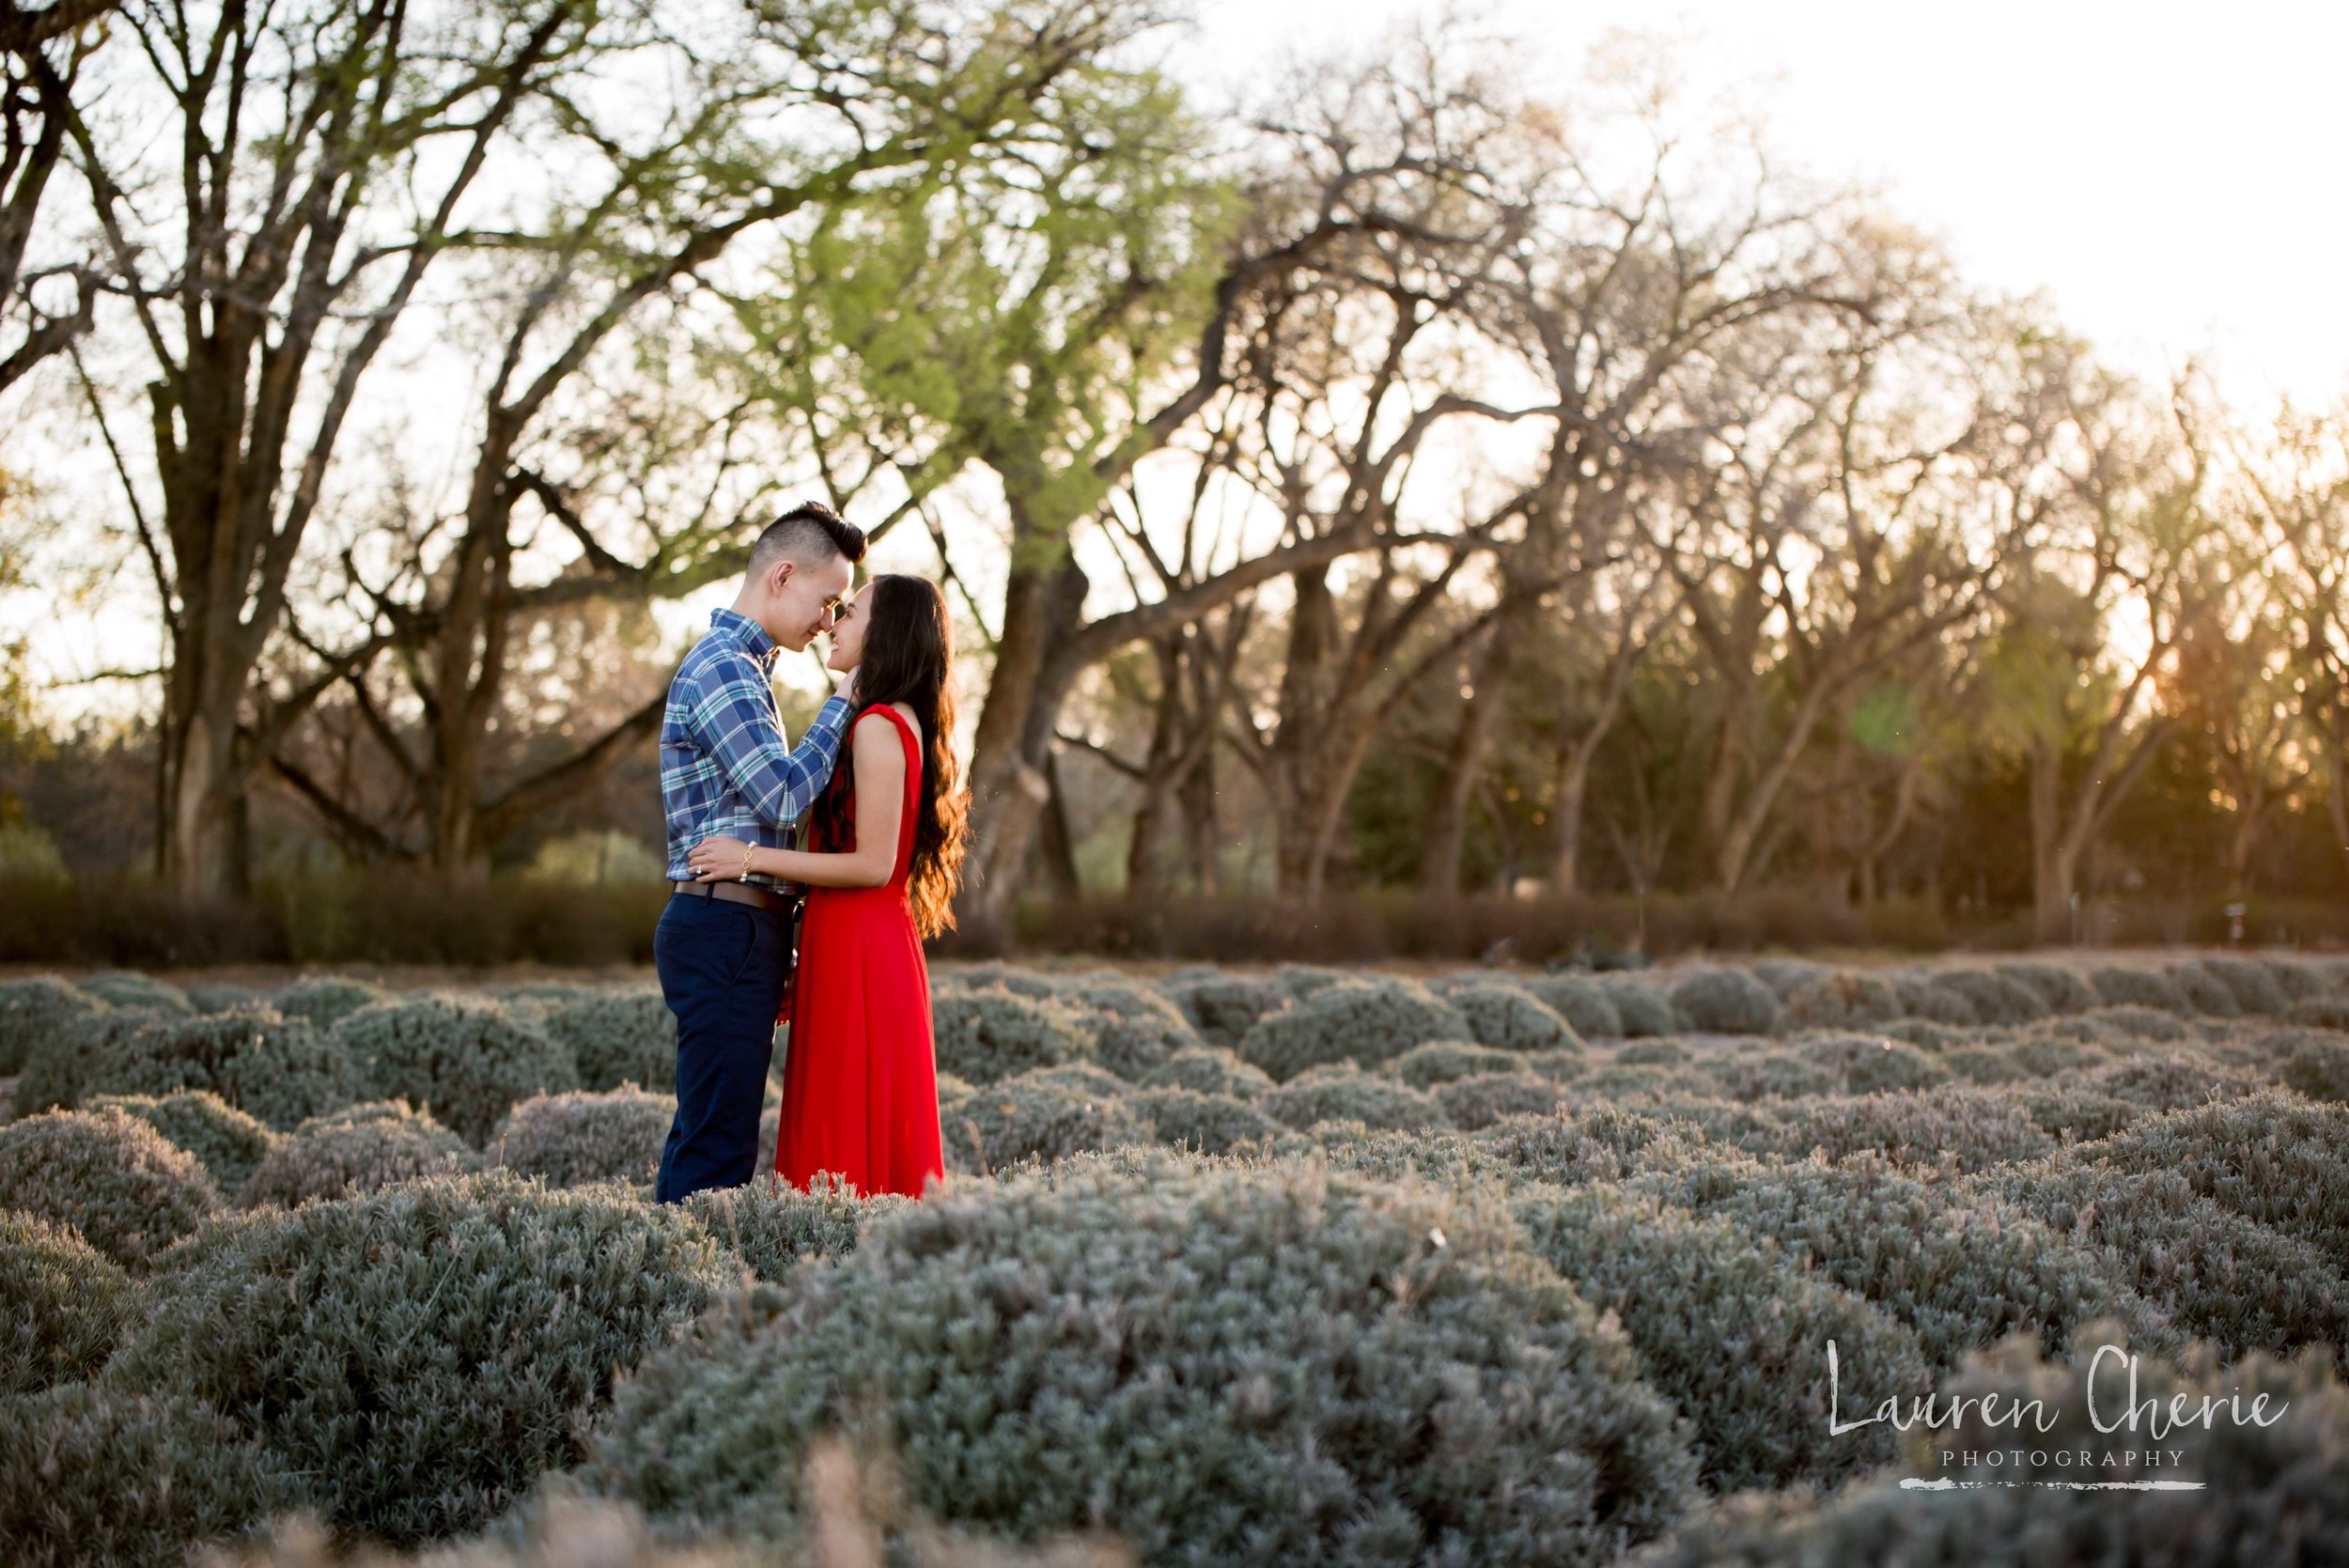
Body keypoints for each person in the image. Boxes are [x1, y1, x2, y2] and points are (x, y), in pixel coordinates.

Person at [683, 572, 968, 1199]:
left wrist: (750, 857)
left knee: (845, 1135)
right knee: (842, 1131)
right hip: (845, 942)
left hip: (862, 948)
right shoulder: (883, 719)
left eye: (851, 611)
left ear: (883, 630)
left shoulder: (876, 726)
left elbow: (872, 865)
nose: (834, 622)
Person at [653, 501, 865, 1204]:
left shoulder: (750, 669)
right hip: (722, 926)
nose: (832, 619)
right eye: (828, 598)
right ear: (782, 575)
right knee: (714, 1146)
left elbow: (761, 823)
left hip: (741, 925)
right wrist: (843, 700)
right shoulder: (722, 668)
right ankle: (678, 1301)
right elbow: (779, 797)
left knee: (720, 1135)